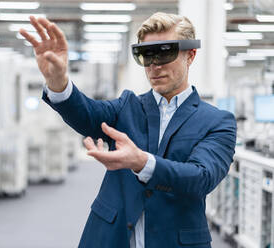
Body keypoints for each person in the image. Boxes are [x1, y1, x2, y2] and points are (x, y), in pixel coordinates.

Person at [20, 12, 236, 248]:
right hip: (110, 238)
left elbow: (201, 177)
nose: (154, 65)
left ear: (190, 55)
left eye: (164, 53)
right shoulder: (127, 106)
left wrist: (142, 162)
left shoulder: (217, 121)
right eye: (146, 55)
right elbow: (86, 114)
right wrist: (58, 81)